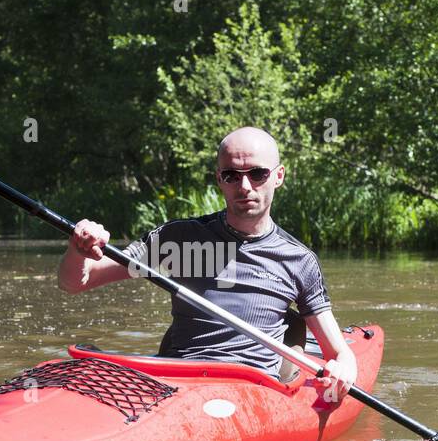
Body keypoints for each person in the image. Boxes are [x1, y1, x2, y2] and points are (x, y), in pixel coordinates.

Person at [57, 126, 358, 401]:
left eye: (257, 174)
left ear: (278, 176)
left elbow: (340, 353)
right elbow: (76, 282)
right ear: (219, 179)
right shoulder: (180, 240)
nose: (244, 186)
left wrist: (343, 372)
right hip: (175, 385)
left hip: (251, 391)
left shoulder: (298, 260)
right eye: (231, 175)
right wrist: (78, 249)